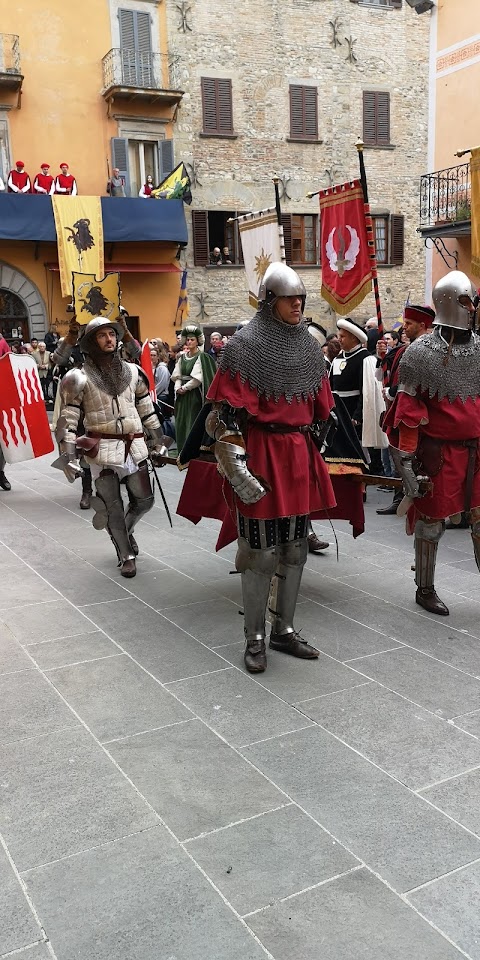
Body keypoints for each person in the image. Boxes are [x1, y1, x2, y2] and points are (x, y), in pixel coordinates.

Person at [205, 262, 336, 673]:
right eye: (289, 299)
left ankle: (285, 629)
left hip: (297, 454)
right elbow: (221, 418)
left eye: (301, 298)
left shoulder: (309, 348)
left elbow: (324, 410)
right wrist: (238, 470)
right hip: (260, 452)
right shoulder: (245, 346)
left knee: (295, 549)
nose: (297, 305)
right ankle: (256, 638)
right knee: (259, 552)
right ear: (269, 301)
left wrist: (316, 445)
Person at [384, 271, 480, 616]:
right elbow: (407, 413)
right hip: (439, 454)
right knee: (431, 523)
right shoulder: (419, 353)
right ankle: (424, 588)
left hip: (476, 452)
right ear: (450, 304)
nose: (474, 308)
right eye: (468, 302)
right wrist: (407, 466)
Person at [57, 318, 168, 577]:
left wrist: (159, 441)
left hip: (133, 445)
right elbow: (68, 421)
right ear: (90, 342)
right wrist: (69, 456)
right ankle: (126, 554)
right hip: (101, 449)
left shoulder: (133, 372)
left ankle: (124, 532)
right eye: (102, 336)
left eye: (112, 334)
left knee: (145, 501)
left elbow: (147, 411)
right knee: (112, 506)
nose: (109, 339)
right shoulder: (78, 378)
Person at [376, 305, 435, 516]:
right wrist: (382, 356)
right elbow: (390, 370)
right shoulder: (403, 349)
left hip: (418, 411)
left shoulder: (428, 349)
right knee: (403, 454)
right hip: (402, 406)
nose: (405, 327)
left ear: (422, 325)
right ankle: (405, 493)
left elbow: (415, 382)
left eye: (409, 324)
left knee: (413, 457)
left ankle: (417, 494)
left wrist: (392, 392)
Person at [171, 324, 216, 454]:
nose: (189, 342)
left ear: (197, 341)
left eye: (192, 340)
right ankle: (182, 449)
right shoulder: (182, 358)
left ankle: (192, 451)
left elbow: (198, 378)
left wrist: (185, 388)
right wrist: (177, 388)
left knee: (192, 421)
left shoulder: (202, 357)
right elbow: (177, 375)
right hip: (181, 396)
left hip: (193, 395)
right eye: (188, 340)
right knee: (181, 422)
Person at [330, 319, 368, 434]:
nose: (339, 340)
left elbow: (365, 391)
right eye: (338, 336)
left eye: (343, 336)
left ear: (353, 338)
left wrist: (357, 416)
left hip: (353, 411)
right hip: (337, 411)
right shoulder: (338, 359)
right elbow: (330, 385)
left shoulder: (364, 358)